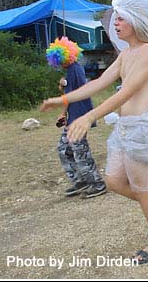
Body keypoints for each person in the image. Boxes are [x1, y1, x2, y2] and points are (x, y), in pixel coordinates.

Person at [40, 0, 148, 264]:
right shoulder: (127, 54)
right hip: (126, 125)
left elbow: (124, 92)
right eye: (114, 19)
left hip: (145, 127)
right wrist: (62, 100)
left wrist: (88, 116)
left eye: (120, 18)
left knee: (142, 188)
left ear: (136, 22)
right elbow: (99, 83)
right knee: (113, 181)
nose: (114, 23)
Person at [45, 37, 107, 199]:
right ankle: (81, 180)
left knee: (80, 151)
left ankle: (96, 183)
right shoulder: (70, 72)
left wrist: (64, 85)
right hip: (73, 116)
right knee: (64, 149)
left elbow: (77, 93)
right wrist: (63, 113)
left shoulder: (75, 70)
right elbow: (69, 95)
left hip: (80, 116)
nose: (58, 64)